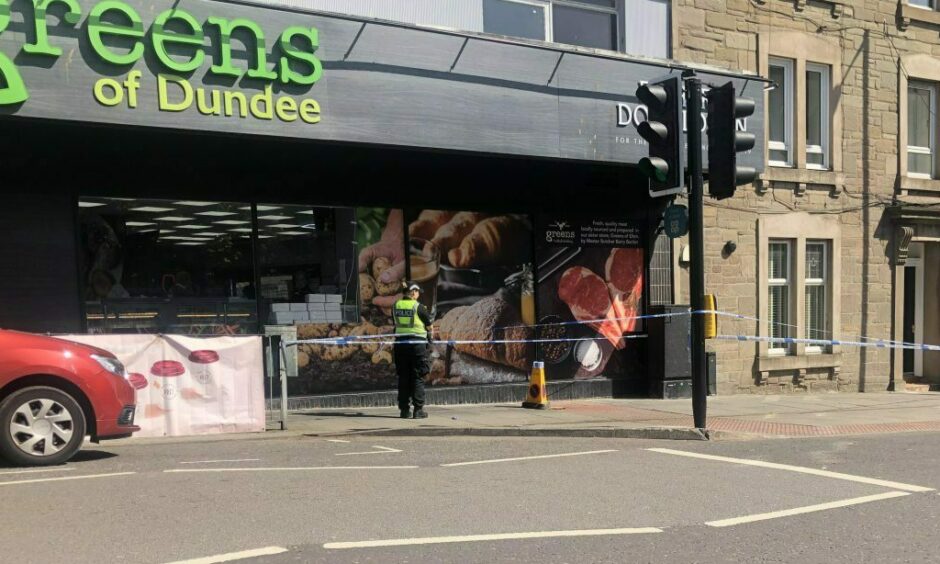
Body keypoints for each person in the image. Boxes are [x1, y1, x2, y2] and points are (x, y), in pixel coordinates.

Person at [393, 281, 433, 419]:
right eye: (417, 291)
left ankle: (404, 410)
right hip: (417, 346)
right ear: (413, 292)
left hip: (400, 345)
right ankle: (418, 410)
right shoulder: (419, 307)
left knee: (403, 377)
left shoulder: (396, 306)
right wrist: (430, 338)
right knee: (417, 376)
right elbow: (429, 326)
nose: (418, 294)